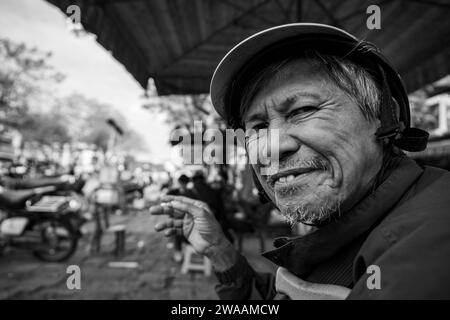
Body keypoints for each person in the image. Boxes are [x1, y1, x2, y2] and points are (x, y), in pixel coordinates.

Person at [150, 23, 450, 299]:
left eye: (302, 110)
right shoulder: (355, 222)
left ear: (385, 116)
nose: (271, 147)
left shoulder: (426, 246)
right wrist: (221, 252)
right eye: (258, 128)